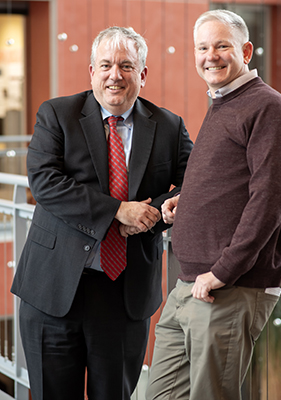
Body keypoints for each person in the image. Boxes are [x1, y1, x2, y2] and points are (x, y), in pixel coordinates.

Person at [11, 26, 193, 400]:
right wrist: (118, 212)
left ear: (142, 75)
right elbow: (44, 182)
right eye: (106, 65)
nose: (115, 75)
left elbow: (196, 181)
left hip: (123, 296)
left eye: (126, 66)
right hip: (53, 290)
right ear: (91, 71)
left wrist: (156, 211)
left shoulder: (169, 126)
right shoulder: (57, 114)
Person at [146, 9, 281, 400]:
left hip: (228, 287)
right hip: (189, 284)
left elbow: (270, 199)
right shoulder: (223, 102)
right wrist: (188, 200)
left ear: (245, 50)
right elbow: (231, 180)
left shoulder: (268, 108)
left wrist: (223, 271)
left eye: (221, 46)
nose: (210, 55)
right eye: (202, 47)